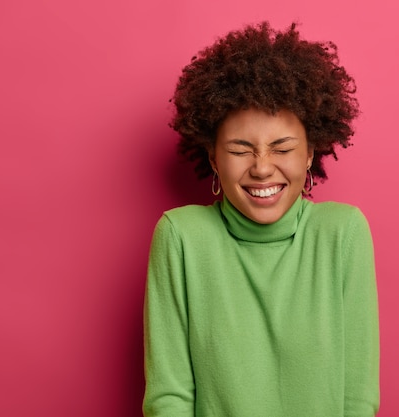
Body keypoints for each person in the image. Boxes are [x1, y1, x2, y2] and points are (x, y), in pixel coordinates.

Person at [143, 22, 379, 417]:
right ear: (214, 158)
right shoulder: (181, 237)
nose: (262, 168)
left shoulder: (342, 233)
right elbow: (169, 397)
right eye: (240, 149)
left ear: (309, 154)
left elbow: (358, 397)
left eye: (282, 148)